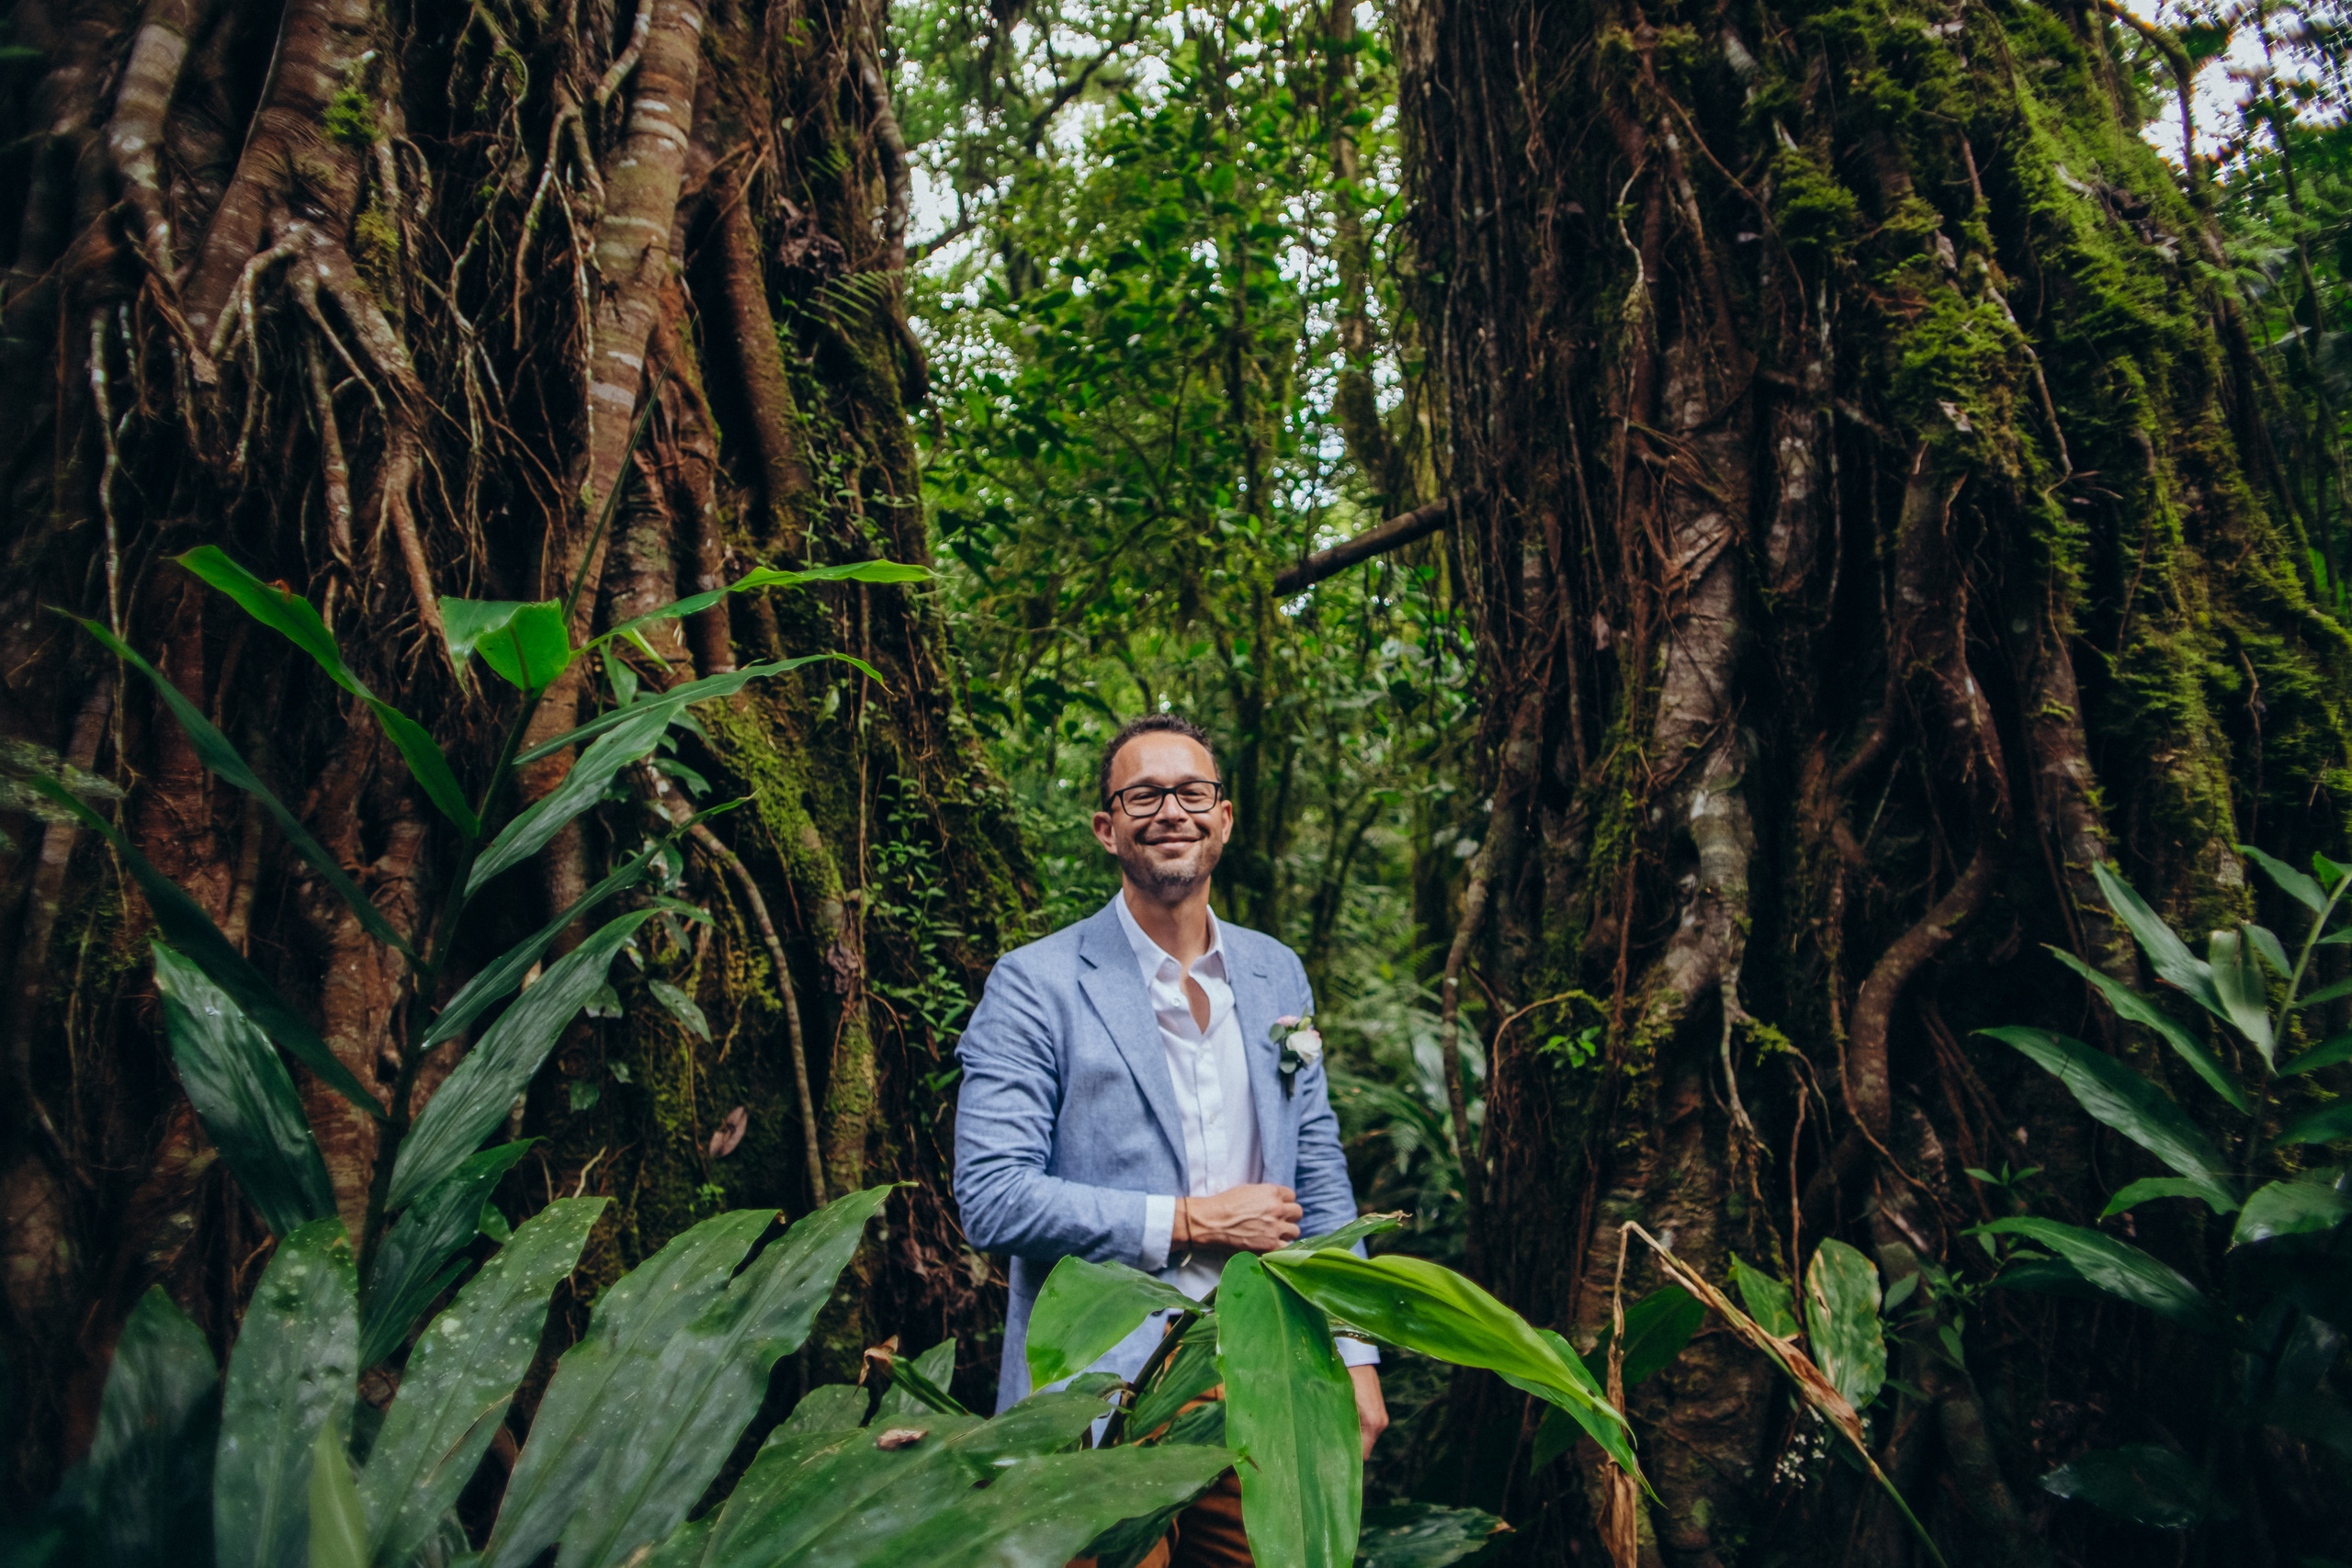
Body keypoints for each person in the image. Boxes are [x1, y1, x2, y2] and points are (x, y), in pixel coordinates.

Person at [954, 713, 1385, 1565]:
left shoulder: (1275, 973)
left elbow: (1318, 1168)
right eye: (1143, 794)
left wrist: (1355, 1351)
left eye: (1192, 792)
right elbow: (993, 1196)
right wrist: (1193, 1220)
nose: (1171, 810)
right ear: (1107, 827)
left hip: (1266, 1374)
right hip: (1103, 1388)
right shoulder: (1036, 984)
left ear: (1223, 818)